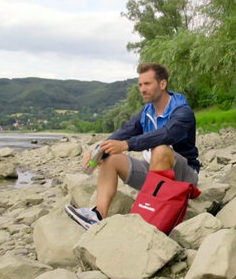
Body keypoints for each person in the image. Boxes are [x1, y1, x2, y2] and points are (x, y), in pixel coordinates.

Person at [65, 62, 200, 229]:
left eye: (147, 84)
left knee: (161, 149)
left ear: (163, 84)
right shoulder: (147, 112)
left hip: (183, 177)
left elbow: (167, 134)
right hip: (154, 174)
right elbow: (125, 131)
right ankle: (97, 214)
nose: (142, 89)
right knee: (111, 157)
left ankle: (150, 218)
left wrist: (127, 145)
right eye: (140, 85)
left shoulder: (182, 111)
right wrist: (98, 150)